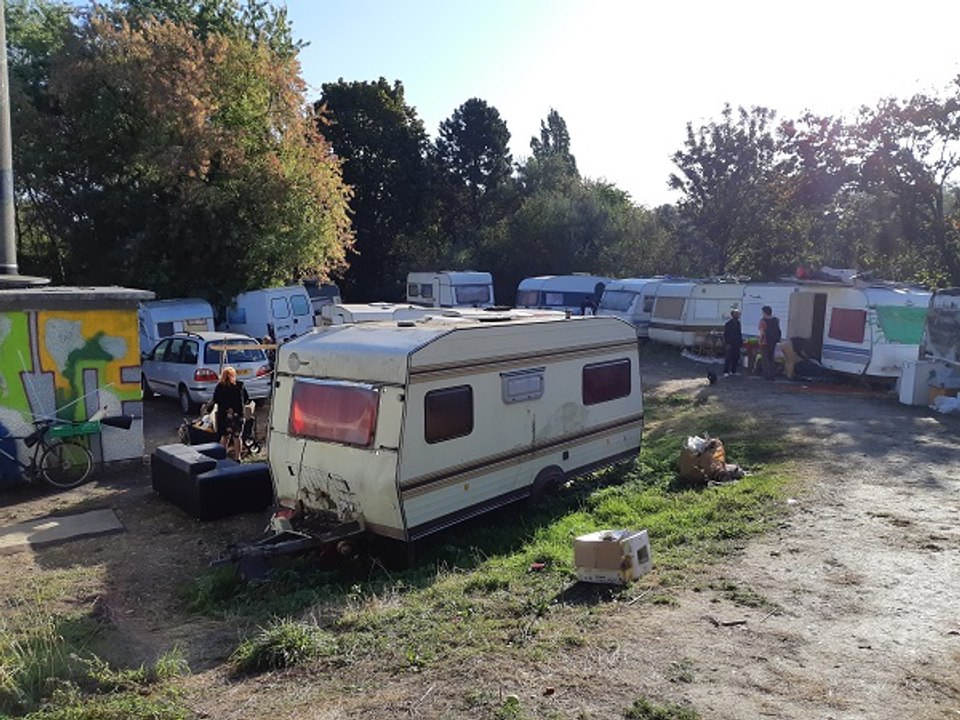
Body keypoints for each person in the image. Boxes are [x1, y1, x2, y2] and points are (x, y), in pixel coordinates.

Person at [212, 366, 249, 459]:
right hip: (237, 414)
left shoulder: (220, 387)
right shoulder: (240, 385)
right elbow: (246, 398)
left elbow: (216, 399)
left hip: (224, 415)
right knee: (237, 437)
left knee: (224, 437)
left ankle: (222, 457)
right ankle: (238, 457)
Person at [758, 306, 782, 381]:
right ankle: (772, 376)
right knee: (771, 359)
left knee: (765, 360)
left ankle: (767, 376)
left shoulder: (763, 321)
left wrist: (760, 341)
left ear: (764, 312)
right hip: (773, 341)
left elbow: (762, 333)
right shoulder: (776, 320)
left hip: (765, 342)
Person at [722, 308, 743, 377]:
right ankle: (726, 371)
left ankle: (733, 371)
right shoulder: (728, 324)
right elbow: (726, 334)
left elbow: (739, 333)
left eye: (738, 314)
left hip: (737, 343)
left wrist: (740, 342)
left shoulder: (738, 323)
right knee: (729, 357)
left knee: (736, 357)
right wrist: (727, 343)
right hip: (730, 343)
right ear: (733, 315)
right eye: (736, 314)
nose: (738, 315)